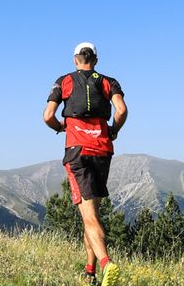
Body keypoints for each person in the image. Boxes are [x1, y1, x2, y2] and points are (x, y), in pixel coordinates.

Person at [43, 42, 128, 286]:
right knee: (92, 214)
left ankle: (106, 264)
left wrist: (60, 127)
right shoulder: (108, 82)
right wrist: (114, 130)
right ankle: (89, 272)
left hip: (77, 152)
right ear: (96, 60)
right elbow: (121, 110)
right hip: (102, 150)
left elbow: (48, 116)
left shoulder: (64, 81)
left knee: (89, 215)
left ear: (75, 60)